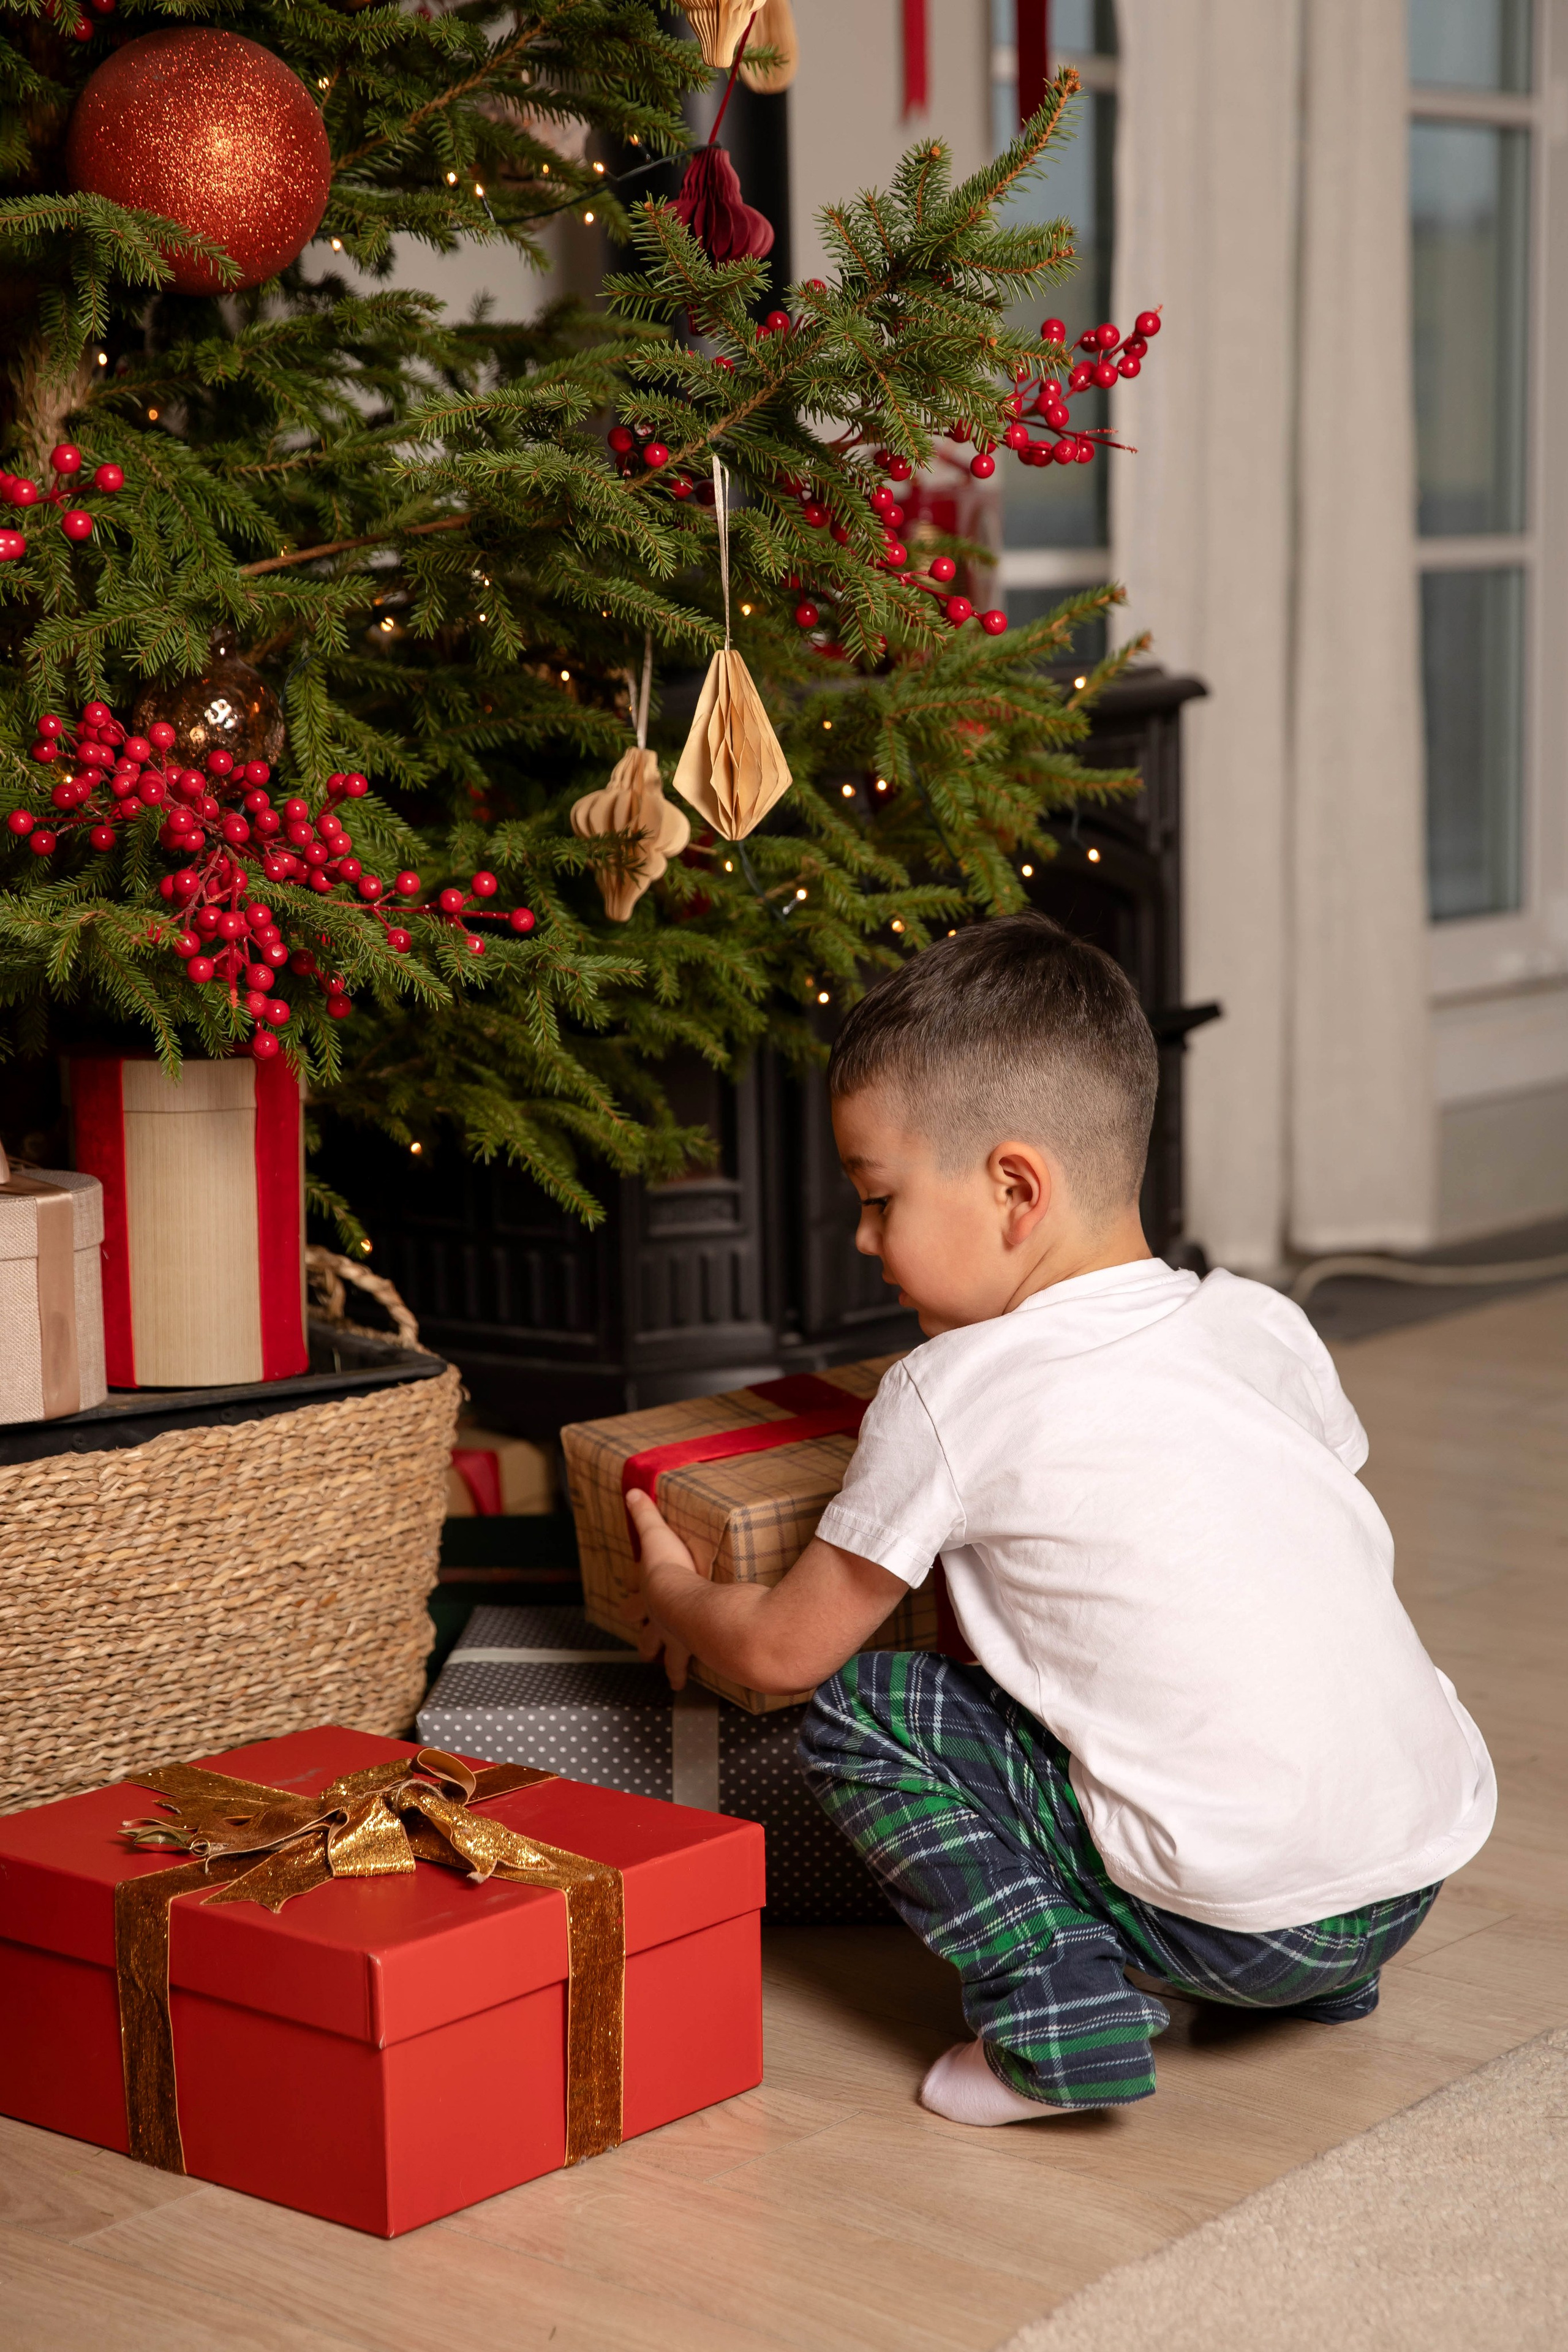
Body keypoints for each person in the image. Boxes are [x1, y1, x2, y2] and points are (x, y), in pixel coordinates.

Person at [622, 915, 1496, 2124]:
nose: (866, 1240)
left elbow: (780, 1648)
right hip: (1407, 1877)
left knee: (871, 1708)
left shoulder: (950, 1391)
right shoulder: (1255, 1321)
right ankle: (1318, 1983)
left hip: (1230, 1924)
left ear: (1013, 1188)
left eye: (875, 1199)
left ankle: (1053, 2022)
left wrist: (667, 1590)